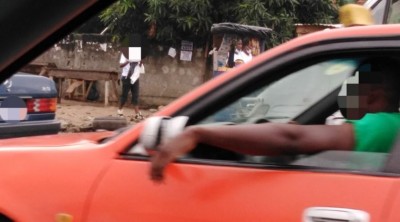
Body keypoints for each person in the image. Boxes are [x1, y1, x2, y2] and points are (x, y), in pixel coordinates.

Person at [149, 57, 400, 182]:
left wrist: (198, 133)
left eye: (350, 90)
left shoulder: (383, 125)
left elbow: (292, 139)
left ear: (372, 96)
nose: (344, 99)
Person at [117, 47, 144, 121]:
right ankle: (120, 111)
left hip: (135, 76)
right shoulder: (125, 53)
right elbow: (121, 65)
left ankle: (137, 113)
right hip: (126, 77)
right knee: (124, 95)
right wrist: (128, 61)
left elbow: (140, 65)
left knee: (136, 95)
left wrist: (141, 61)